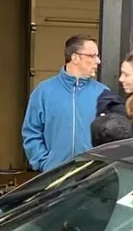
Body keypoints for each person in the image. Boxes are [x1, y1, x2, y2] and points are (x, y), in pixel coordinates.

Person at [23, 35, 107, 171]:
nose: (98, 61)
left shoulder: (103, 93)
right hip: (54, 176)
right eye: (92, 56)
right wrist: (44, 163)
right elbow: (32, 131)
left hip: (93, 177)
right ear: (75, 58)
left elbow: (111, 137)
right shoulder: (44, 91)